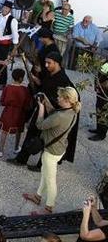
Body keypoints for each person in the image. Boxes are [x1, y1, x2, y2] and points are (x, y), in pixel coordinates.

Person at [9, 51, 77, 170]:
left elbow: (65, 100)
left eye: (49, 63)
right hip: (42, 109)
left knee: (47, 140)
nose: (46, 65)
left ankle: (41, 165)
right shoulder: (50, 74)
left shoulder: (63, 79)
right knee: (32, 133)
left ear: (56, 63)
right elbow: (44, 86)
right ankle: (22, 159)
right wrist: (34, 79)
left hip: (52, 115)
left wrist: (49, 104)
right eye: (45, 62)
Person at [22, 86, 79, 214]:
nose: (58, 98)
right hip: (60, 148)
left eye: (60, 97)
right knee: (45, 173)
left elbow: (40, 125)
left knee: (50, 180)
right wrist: (46, 101)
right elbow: (54, 114)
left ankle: (49, 208)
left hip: (51, 152)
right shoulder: (72, 112)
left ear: (67, 99)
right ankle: (37, 196)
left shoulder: (60, 116)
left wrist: (41, 107)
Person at [0, 69, 31, 157]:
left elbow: (2, 102)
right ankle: (16, 148)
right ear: (21, 78)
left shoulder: (7, 87)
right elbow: (27, 104)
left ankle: (1, 150)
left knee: (4, 131)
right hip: (19, 114)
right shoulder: (24, 89)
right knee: (18, 131)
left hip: (7, 112)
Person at [89, 62, 108, 141]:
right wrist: (96, 86)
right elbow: (98, 74)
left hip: (106, 93)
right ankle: (99, 129)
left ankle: (101, 134)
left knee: (104, 113)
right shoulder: (105, 62)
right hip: (101, 91)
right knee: (99, 110)